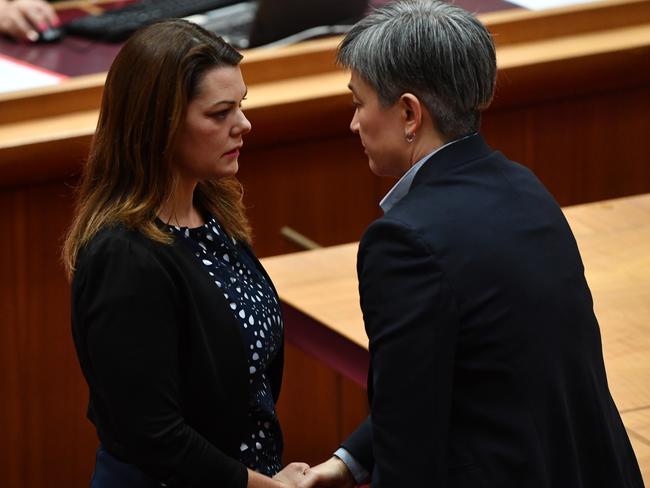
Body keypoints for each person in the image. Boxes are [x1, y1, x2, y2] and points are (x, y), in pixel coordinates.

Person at [288, 1, 646, 487]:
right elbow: (473, 375)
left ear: (410, 113)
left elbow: (410, 437)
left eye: (358, 102)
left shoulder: (403, 241)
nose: (353, 123)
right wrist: (349, 460)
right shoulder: (525, 188)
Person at [62, 19, 310, 488]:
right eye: (220, 114)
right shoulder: (123, 257)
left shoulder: (213, 212)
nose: (244, 125)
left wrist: (268, 475)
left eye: (241, 106)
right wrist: (267, 486)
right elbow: (154, 437)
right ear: (160, 125)